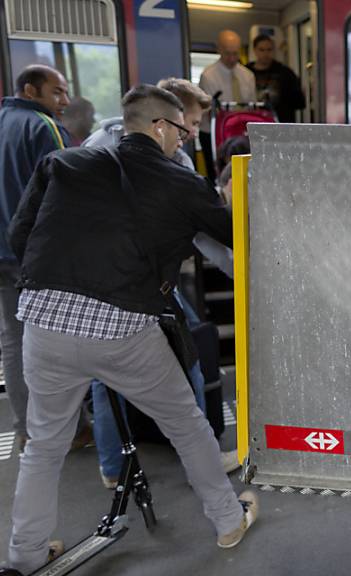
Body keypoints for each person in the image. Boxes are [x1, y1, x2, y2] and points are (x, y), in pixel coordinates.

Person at [4, 85, 257, 574]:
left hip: (44, 324)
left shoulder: (65, 163)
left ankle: (25, 554)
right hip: (122, 329)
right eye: (181, 132)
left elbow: (20, 235)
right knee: (186, 423)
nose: (183, 143)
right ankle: (229, 521)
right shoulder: (180, 182)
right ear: (160, 126)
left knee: (44, 445)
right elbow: (237, 235)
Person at [82, 78, 237, 488]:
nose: (195, 134)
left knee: (105, 372)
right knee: (187, 365)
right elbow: (207, 235)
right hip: (147, 284)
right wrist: (240, 269)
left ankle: (112, 468)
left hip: (100, 279)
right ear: (168, 120)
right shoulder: (176, 165)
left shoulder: (99, 142)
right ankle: (203, 461)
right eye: (195, 122)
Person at [0, 65, 71, 456]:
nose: (64, 102)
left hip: (1, 252)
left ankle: (26, 427)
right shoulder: (42, 126)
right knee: (53, 342)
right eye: (57, 93)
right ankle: (69, 430)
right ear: (31, 90)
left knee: (12, 340)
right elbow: (63, 191)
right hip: (32, 252)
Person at [199, 30, 256, 176]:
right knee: (218, 173)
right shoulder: (208, 76)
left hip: (240, 133)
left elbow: (253, 108)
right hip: (213, 133)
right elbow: (207, 111)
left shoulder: (248, 76)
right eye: (227, 53)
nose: (232, 58)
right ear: (219, 49)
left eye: (235, 53)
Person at [246, 34, 305, 123]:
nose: (266, 53)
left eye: (269, 50)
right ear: (254, 50)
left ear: (274, 50)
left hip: (281, 124)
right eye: (262, 50)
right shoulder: (246, 73)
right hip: (253, 122)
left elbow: (299, 102)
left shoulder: (285, 73)